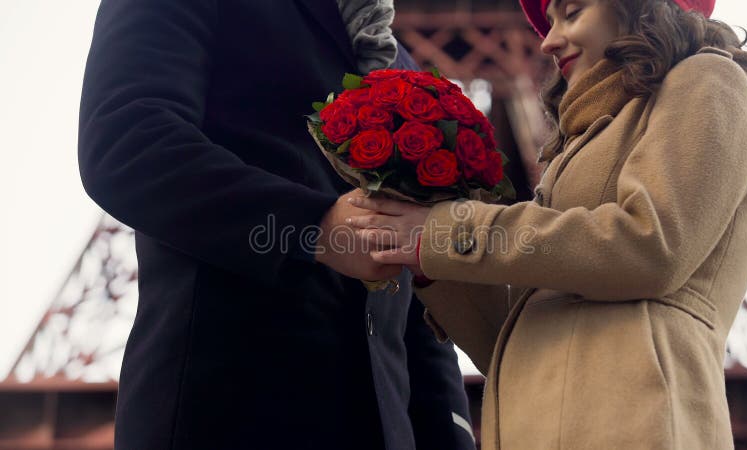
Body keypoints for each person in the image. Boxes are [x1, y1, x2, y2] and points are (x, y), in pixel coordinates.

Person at [346, 0, 747, 448]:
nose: (548, 40)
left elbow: (651, 247)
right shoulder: (574, 150)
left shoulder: (708, 78)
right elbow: (511, 345)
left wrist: (449, 230)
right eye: (548, 21)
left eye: (571, 12)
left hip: (634, 426)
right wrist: (426, 255)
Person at [77, 1, 477, 449]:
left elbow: (415, 274)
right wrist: (314, 227)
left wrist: (451, 432)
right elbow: (126, 140)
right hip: (230, 412)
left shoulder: (400, 63)